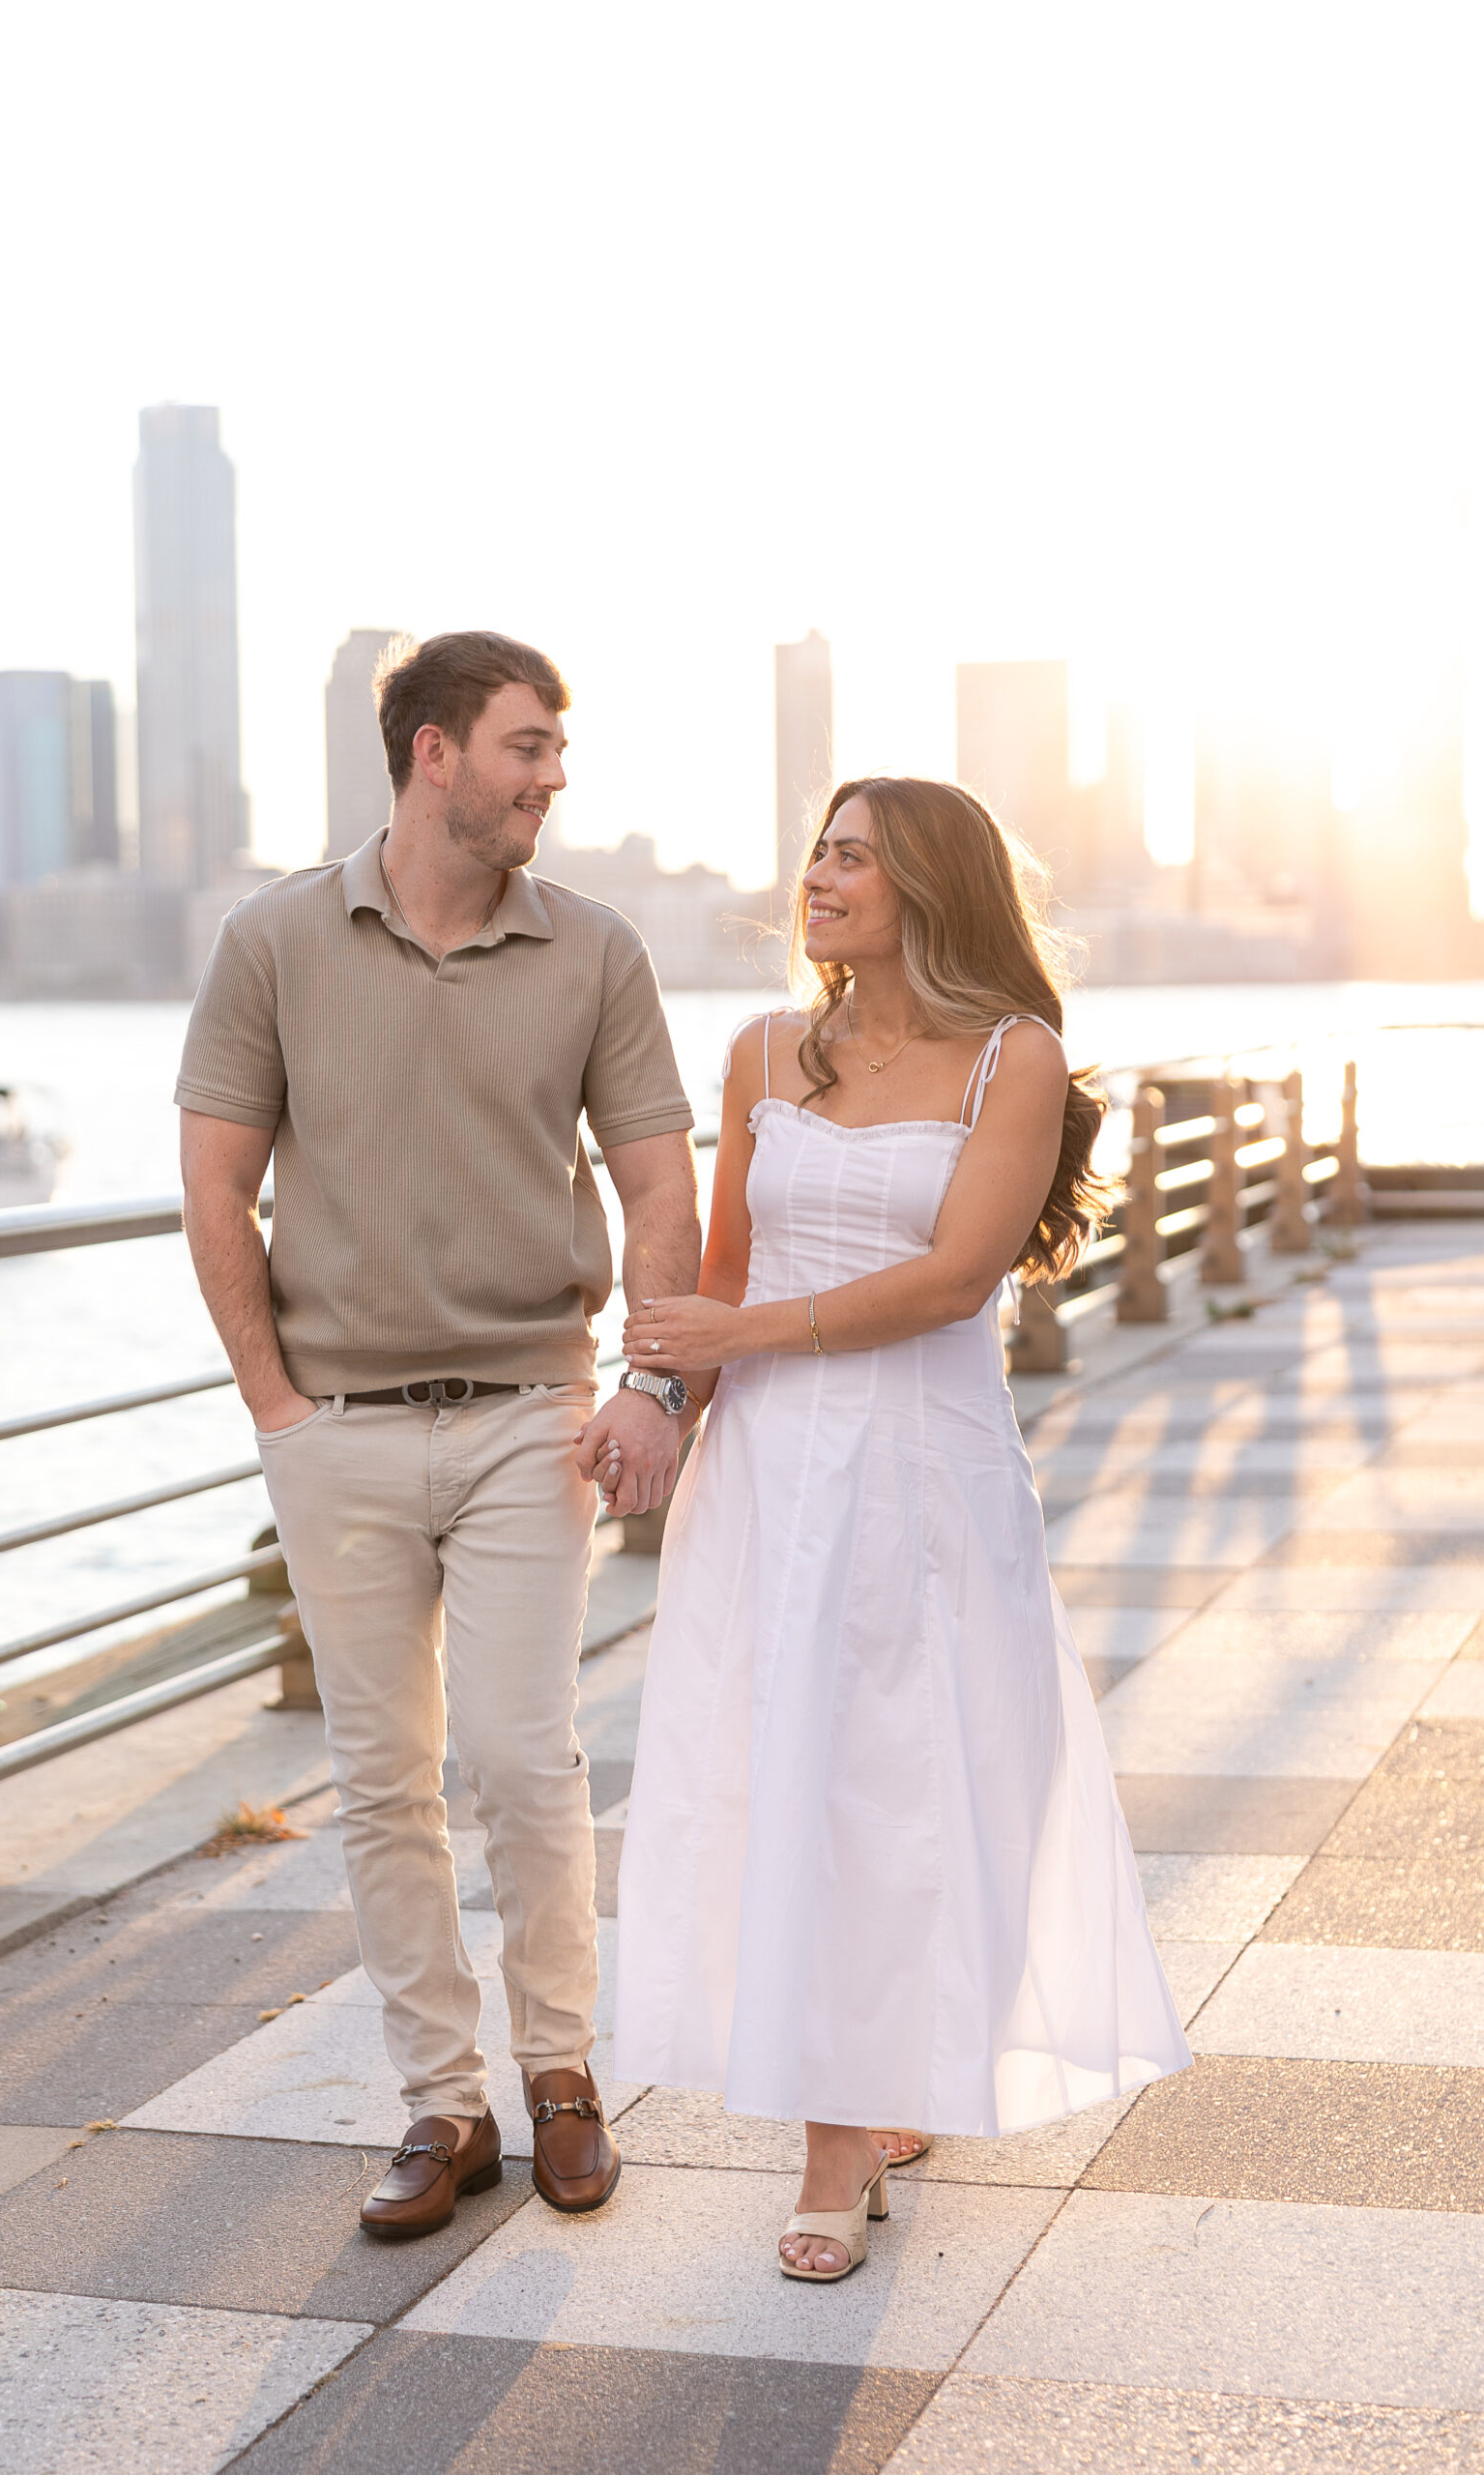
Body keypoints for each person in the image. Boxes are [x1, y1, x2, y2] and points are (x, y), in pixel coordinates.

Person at [614, 776, 1191, 2282]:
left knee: (905, 1787)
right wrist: (659, 1406)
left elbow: (951, 1280)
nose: (819, 873)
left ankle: (874, 2095)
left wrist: (746, 1326)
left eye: (854, 855)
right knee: (788, 1779)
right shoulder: (757, 1049)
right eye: (818, 847)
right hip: (767, 1474)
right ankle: (833, 2135)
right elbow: (721, 1266)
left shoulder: (1016, 1056)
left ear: (928, 885)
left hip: (921, 1471)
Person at [177, 629, 701, 2237]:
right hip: (332, 1425)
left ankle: (559, 2076)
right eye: (528, 747)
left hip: (529, 1421)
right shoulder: (274, 940)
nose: (553, 775)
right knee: (379, 1776)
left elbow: (661, 1184)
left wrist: (649, 1383)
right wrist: (273, 1404)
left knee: (520, 1760)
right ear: (433, 757)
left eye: (554, 749)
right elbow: (214, 1183)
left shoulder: (596, 949)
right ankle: (438, 2105)